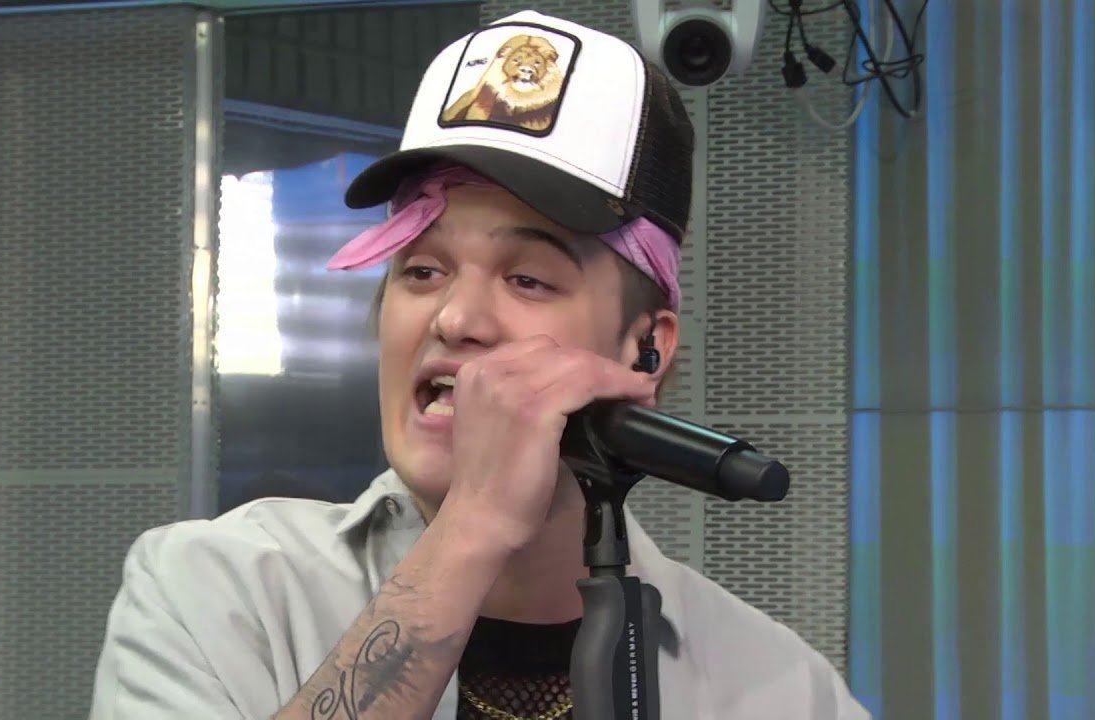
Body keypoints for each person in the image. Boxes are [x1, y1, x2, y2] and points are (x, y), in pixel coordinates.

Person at [89, 10, 867, 719]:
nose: (456, 319)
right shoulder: (218, 591)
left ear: (646, 348)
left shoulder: (777, 687)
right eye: (422, 271)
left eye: (528, 279)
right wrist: (475, 527)